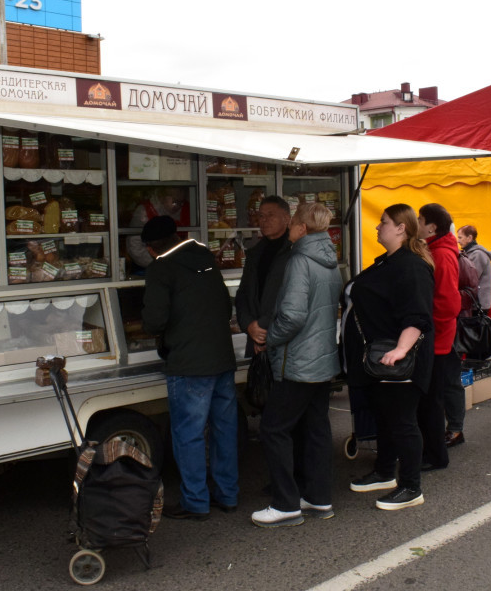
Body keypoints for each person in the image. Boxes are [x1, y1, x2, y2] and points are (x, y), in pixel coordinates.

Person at [141, 216, 238, 520]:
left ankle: (195, 501)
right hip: (221, 357)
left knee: (190, 434)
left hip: (188, 363)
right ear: (176, 236)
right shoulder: (206, 260)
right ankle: (228, 495)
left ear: (150, 249)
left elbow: (154, 321)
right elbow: (225, 306)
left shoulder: (161, 269)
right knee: (224, 430)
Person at [252, 203, 343, 528]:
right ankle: (318, 498)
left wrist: (268, 338)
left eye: (292, 224)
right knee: (316, 428)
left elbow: (292, 315)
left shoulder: (299, 261)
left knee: (274, 428)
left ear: (302, 229)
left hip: (298, 361)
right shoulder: (330, 260)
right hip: (321, 359)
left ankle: (285, 503)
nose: (289, 228)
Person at [342, 204, 434, 511]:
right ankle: (384, 472)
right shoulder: (388, 262)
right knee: (385, 416)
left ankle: (411, 486)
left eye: (383, 223)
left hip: (400, 360)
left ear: (401, 228)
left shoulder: (411, 266)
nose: (377, 227)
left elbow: (418, 314)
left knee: (402, 421)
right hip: (380, 358)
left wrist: (401, 350)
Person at [416, 203, 461, 470]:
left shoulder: (442, 255)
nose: (416, 223)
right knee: (430, 397)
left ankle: (435, 455)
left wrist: (427, 327)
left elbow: (447, 303)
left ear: (432, 227)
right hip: (436, 336)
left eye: (420, 219)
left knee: (432, 399)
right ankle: (432, 451)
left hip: (437, 339)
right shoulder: (435, 249)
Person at [235, 196, 293, 357]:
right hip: (256, 340)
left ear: (286, 218)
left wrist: (265, 328)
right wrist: (249, 326)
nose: (264, 220)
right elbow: (243, 294)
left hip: (284, 344)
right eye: (261, 216)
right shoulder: (255, 253)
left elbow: (293, 301)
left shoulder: (295, 252)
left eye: (271, 215)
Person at [456, 224, 491, 311]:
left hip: (478, 304)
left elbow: (470, 278)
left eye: (460, 237)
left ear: (469, 238)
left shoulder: (478, 255)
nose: (458, 241)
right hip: (475, 302)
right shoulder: (470, 253)